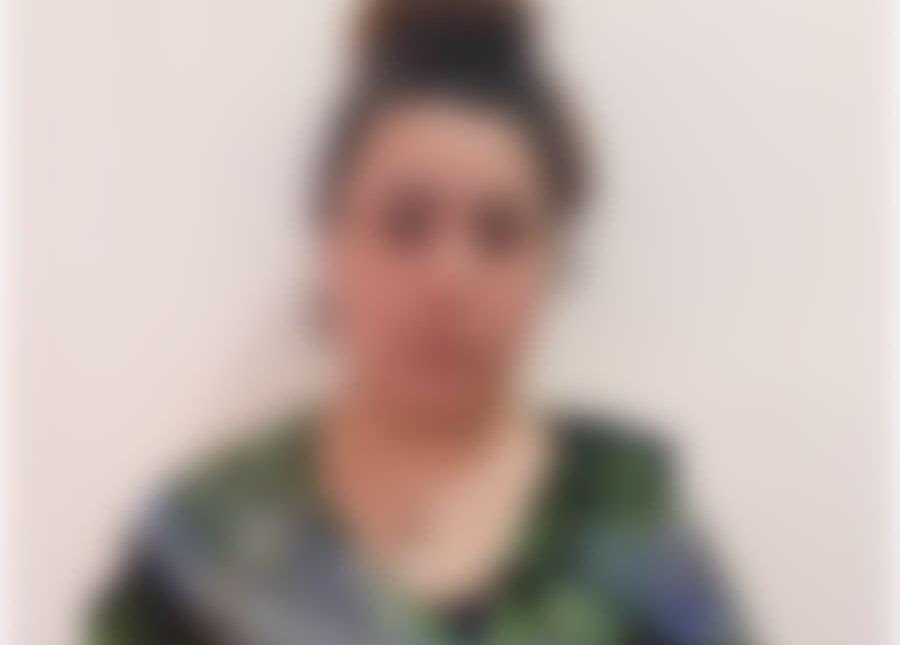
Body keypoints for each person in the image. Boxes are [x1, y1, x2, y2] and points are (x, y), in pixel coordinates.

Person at [90, 1, 748, 643]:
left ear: (553, 264)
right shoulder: (206, 543)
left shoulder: (631, 531)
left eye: (500, 232)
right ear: (331, 247)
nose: (450, 278)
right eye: (405, 224)